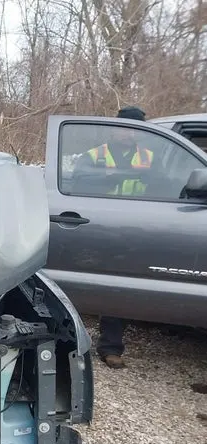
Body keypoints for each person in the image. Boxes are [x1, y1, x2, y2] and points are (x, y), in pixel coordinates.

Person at [80, 105, 153, 369]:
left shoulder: (151, 157)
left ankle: (111, 345)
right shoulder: (94, 156)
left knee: (121, 287)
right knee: (89, 283)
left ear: (141, 132)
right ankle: (76, 342)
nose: (127, 133)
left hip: (135, 229)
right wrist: (106, 179)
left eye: (133, 129)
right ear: (114, 128)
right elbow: (75, 180)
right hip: (99, 226)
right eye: (122, 127)